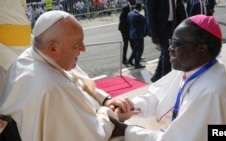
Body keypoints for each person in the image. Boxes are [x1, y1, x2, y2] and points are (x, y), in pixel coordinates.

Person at [111, 14, 226, 140]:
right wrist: (130, 105)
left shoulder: (211, 90)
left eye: (177, 44)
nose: (170, 48)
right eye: (171, 42)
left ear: (201, 49)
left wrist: (127, 131)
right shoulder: (194, 67)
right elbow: (158, 96)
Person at [0, 10, 133, 141]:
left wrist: (105, 100)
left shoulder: (34, 56)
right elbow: (92, 135)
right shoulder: (51, 88)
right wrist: (111, 114)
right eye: (77, 45)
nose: (83, 48)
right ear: (53, 48)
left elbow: (76, 79)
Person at [146, 0, 187, 82]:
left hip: (173, 26)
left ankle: (157, 75)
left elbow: (179, 9)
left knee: (164, 52)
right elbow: (150, 14)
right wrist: (154, 34)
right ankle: (166, 78)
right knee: (167, 53)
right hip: (160, 28)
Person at [127, 3, 146, 69]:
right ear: (140, 8)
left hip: (132, 33)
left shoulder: (130, 14)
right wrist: (145, 10)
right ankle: (137, 64)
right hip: (138, 34)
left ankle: (130, 60)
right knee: (140, 49)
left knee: (135, 48)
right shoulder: (138, 15)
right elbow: (145, 20)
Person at [118, 0, 136, 65]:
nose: (135, 1)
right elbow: (121, 18)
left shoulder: (133, 7)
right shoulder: (126, 8)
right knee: (126, 44)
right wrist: (129, 21)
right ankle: (124, 59)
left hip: (129, 29)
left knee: (132, 43)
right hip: (124, 29)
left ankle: (135, 57)